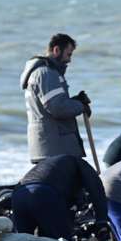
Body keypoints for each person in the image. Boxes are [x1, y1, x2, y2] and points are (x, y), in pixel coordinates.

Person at [10, 154, 108, 241]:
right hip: (44, 193)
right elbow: (97, 191)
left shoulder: (56, 166)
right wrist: (101, 222)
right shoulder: (82, 165)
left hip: (18, 194)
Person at [24, 33, 90, 164]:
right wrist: (80, 106)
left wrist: (75, 101)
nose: (69, 60)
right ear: (56, 50)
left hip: (49, 149)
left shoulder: (44, 72)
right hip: (55, 150)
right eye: (68, 54)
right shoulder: (47, 73)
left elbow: (53, 104)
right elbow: (57, 108)